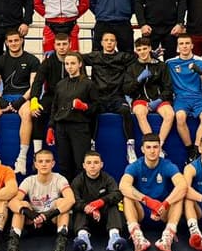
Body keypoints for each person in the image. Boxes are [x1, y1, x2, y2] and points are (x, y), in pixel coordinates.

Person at [119, 134, 187, 251]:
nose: (152, 151)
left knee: (179, 196)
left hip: (162, 212)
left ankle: (167, 236)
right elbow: (123, 186)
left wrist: (165, 204)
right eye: (148, 147)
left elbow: (182, 186)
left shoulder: (167, 165)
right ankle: (137, 237)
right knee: (127, 196)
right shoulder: (135, 166)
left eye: (155, 147)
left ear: (160, 148)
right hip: (142, 212)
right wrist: (148, 201)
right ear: (142, 149)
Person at [0, 28, 40, 173]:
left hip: (24, 96)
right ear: (6, 43)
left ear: (22, 41)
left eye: (16, 40)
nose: (14, 43)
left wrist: (21, 101)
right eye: (10, 41)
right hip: (6, 95)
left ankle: (22, 158)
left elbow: (34, 86)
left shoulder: (32, 60)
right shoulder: (0, 61)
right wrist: (0, 100)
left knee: (27, 113)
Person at [5, 149, 76, 251]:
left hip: (52, 220)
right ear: (35, 164)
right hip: (33, 221)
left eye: (47, 161)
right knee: (22, 204)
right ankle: (13, 246)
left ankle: (61, 244)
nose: (44, 164)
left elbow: (71, 200)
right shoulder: (29, 181)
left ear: (53, 163)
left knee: (62, 202)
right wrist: (30, 214)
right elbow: (12, 202)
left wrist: (48, 215)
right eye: (40, 161)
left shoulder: (59, 179)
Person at [82, 32, 137, 163]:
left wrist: (154, 55)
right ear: (101, 43)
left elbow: (141, 56)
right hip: (99, 98)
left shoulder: (123, 57)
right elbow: (75, 58)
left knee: (126, 111)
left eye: (112, 40)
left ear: (116, 43)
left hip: (117, 97)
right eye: (106, 40)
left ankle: (130, 147)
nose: (109, 43)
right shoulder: (95, 56)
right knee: (91, 112)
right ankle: (91, 144)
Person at [165, 34, 202, 163]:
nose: (184, 46)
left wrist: (200, 73)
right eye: (181, 44)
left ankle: (197, 151)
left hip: (198, 97)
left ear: (192, 45)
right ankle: (190, 149)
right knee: (180, 116)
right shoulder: (170, 63)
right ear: (178, 47)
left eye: (187, 43)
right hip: (180, 98)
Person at [50, 52, 97, 183]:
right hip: (61, 127)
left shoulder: (88, 84)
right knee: (64, 164)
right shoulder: (60, 84)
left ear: (80, 64)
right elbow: (55, 107)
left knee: (80, 164)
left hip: (80, 127)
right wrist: (50, 127)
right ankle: (67, 193)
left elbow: (96, 107)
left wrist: (85, 107)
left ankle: (80, 192)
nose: (69, 66)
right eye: (67, 64)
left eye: (72, 63)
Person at [70, 150, 127, 251]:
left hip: (105, 219)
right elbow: (74, 200)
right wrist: (87, 207)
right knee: (79, 210)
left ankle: (114, 237)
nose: (92, 166)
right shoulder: (78, 181)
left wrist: (100, 202)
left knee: (114, 206)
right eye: (89, 163)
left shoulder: (107, 178)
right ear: (84, 166)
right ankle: (83, 239)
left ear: (101, 165)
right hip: (86, 218)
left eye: (96, 163)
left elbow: (117, 194)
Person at [124, 37, 175, 151]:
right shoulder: (132, 67)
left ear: (150, 48)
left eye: (144, 49)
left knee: (170, 114)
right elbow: (127, 89)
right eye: (139, 49)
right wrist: (138, 80)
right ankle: (151, 143)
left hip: (159, 99)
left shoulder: (161, 66)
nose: (142, 52)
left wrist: (159, 100)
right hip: (140, 99)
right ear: (136, 51)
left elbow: (168, 88)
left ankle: (159, 146)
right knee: (139, 112)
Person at [29, 33, 72, 154]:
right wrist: (34, 99)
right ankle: (37, 152)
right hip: (51, 96)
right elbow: (38, 82)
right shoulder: (48, 62)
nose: (61, 47)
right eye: (59, 44)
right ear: (54, 46)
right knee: (38, 112)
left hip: (70, 96)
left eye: (64, 44)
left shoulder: (75, 60)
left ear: (70, 44)